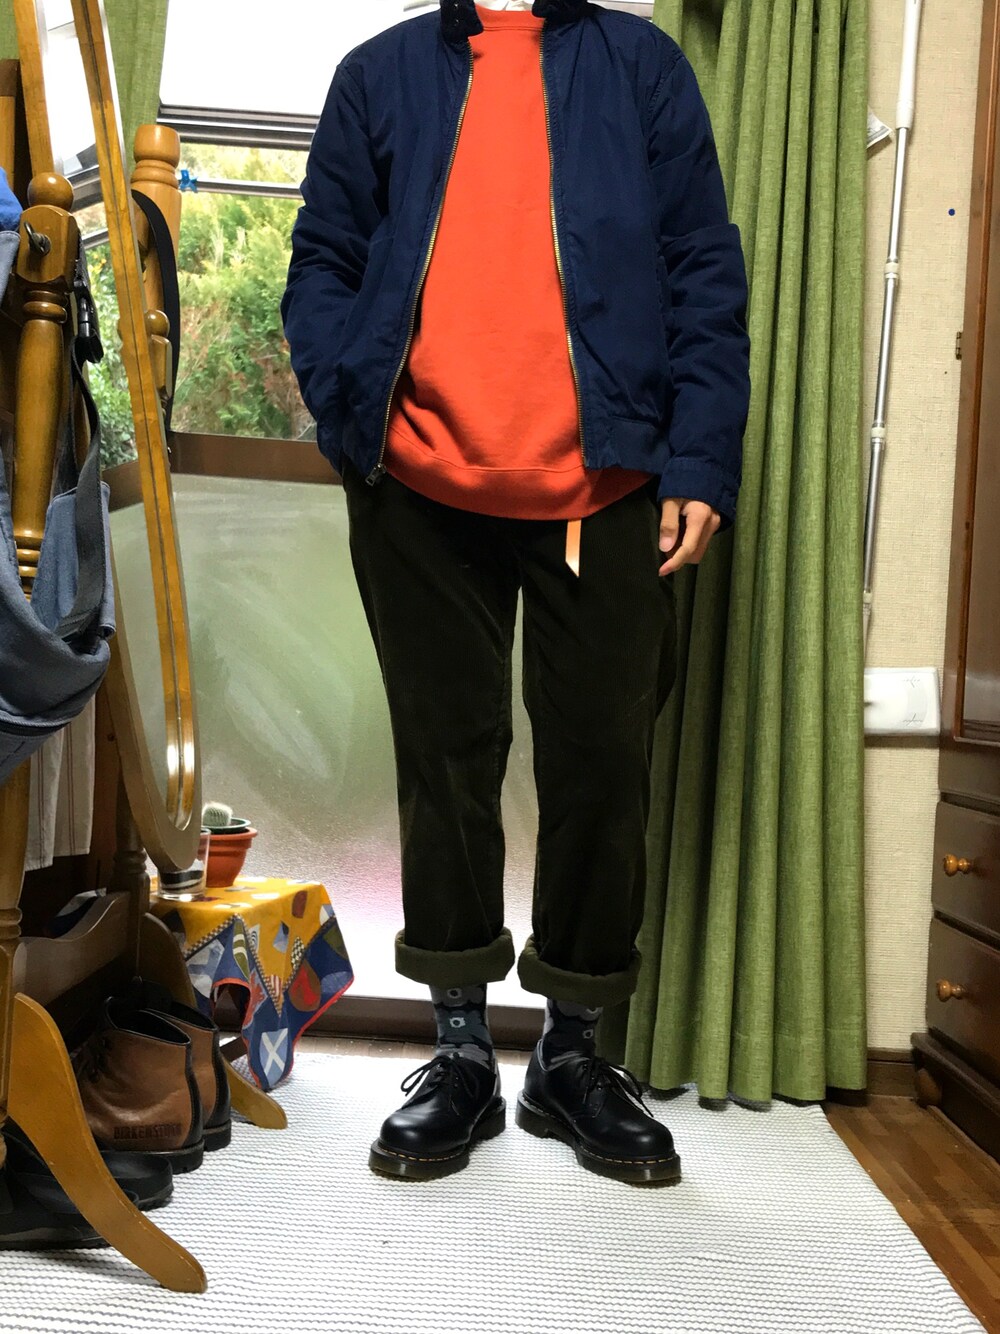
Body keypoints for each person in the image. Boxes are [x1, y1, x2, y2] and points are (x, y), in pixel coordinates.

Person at [282, 0, 750, 1186]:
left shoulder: (641, 67)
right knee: (445, 760)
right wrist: (352, 412)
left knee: (601, 761)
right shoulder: (378, 73)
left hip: (608, 482)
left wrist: (700, 459)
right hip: (419, 486)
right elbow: (324, 260)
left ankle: (571, 1055)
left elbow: (702, 266)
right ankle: (458, 1050)